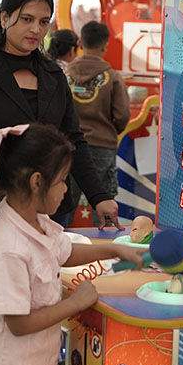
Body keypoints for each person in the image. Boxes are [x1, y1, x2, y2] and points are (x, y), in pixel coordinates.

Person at [0, 0, 122, 365]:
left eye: (43, 22)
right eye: (26, 19)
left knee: (42, 296)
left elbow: (73, 139)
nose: (35, 30)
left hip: (45, 208)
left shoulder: (53, 73)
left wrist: (99, 196)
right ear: (4, 17)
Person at [0, 123, 144, 365]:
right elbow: (19, 324)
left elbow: (63, 251)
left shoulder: (37, 222)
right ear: (37, 182)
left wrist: (112, 249)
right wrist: (75, 303)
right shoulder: (7, 250)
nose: (66, 189)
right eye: (61, 181)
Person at [66, 21, 130, 225]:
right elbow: (122, 115)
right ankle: (104, 244)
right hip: (102, 146)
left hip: (67, 146)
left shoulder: (64, 74)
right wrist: (110, 130)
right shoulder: (112, 77)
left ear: (80, 43)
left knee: (64, 205)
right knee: (104, 206)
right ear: (105, 46)